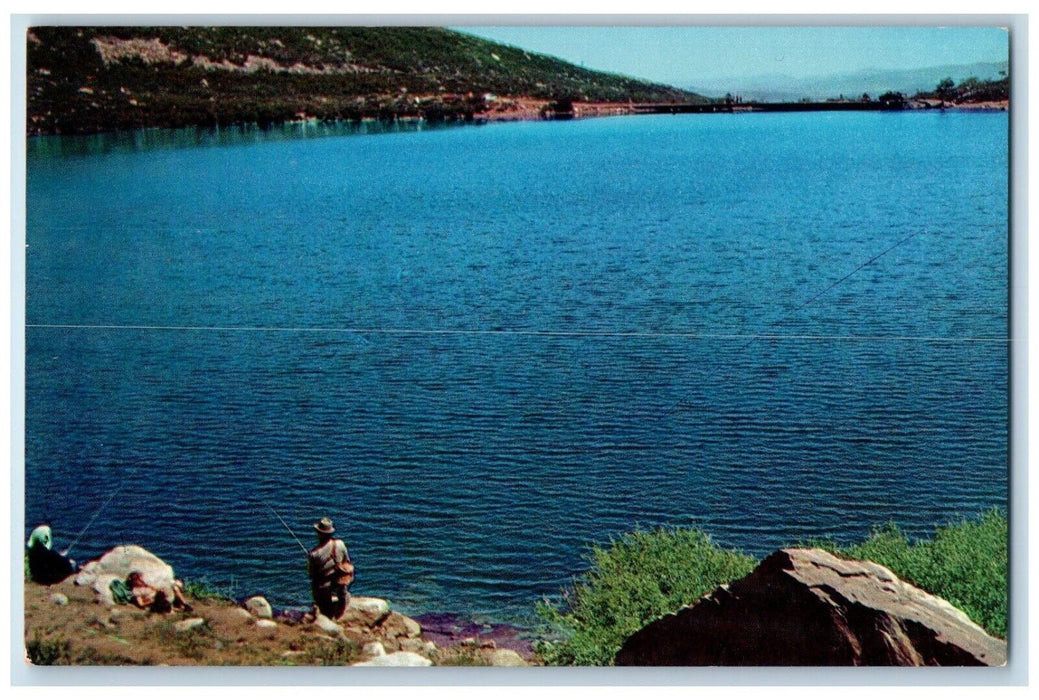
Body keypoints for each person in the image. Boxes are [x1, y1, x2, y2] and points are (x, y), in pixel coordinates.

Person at [307, 517, 354, 620]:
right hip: (339, 580)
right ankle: (341, 603)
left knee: (316, 585)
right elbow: (347, 561)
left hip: (325, 585)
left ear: (319, 534)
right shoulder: (340, 544)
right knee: (341, 590)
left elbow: (311, 574)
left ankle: (326, 610)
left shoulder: (314, 554)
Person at [121, 571, 193, 613]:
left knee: (175, 588)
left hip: (159, 596)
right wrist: (150, 601)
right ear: (135, 581)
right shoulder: (136, 591)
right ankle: (175, 608)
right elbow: (141, 603)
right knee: (165, 592)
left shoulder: (145, 585)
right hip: (155, 601)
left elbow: (155, 589)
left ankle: (184, 604)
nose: (142, 580)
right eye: (140, 579)